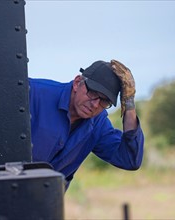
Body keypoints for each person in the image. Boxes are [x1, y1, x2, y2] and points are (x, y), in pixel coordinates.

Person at [29, 59, 144, 189]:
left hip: (46, 203)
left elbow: (129, 160)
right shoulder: (32, 93)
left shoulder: (98, 124)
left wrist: (129, 102)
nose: (95, 104)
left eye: (104, 101)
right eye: (93, 93)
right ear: (77, 83)